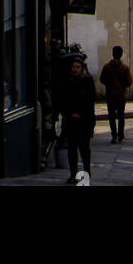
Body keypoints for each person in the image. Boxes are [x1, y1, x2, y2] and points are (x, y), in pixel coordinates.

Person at [59, 51, 96, 183]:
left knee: (84, 148)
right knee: (72, 148)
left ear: (82, 68)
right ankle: (73, 173)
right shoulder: (68, 82)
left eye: (77, 67)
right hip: (70, 121)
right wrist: (69, 114)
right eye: (73, 67)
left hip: (84, 121)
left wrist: (80, 114)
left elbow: (90, 101)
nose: (75, 69)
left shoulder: (87, 81)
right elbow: (64, 101)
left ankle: (86, 172)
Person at [99, 45, 132, 144]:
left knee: (112, 116)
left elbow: (102, 79)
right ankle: (121, 135)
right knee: (121, 116)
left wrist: (110, 84)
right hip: (121, 96)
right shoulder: (125, 68)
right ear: (121, 54)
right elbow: (129, 82)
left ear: (113, 54)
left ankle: (114, 135)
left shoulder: (107, 67)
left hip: (111, 95)